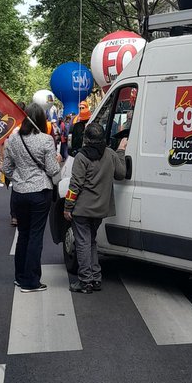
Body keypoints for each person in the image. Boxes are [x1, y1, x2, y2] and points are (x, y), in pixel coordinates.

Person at [2, 102, 62, 292]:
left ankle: (20, 277)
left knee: (23, 235)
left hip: (19, 193)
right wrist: (58, 162)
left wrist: (19, 178)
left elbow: (5, 168)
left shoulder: (13, 139)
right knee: (36, 237)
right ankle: (31, 281)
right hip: (40, 192)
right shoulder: (45, 140)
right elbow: (52, 170)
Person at [64, 121, 128, 293]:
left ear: (86, 139)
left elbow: (74, 185)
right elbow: (121, 174)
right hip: (100, 209)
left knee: (83, 243)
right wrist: (121, 151)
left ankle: (85, 281)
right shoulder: (110, 154)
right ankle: (95, 278)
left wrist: (67, 207)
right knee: (91, 241)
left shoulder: (81, 157)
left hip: (82, 209)